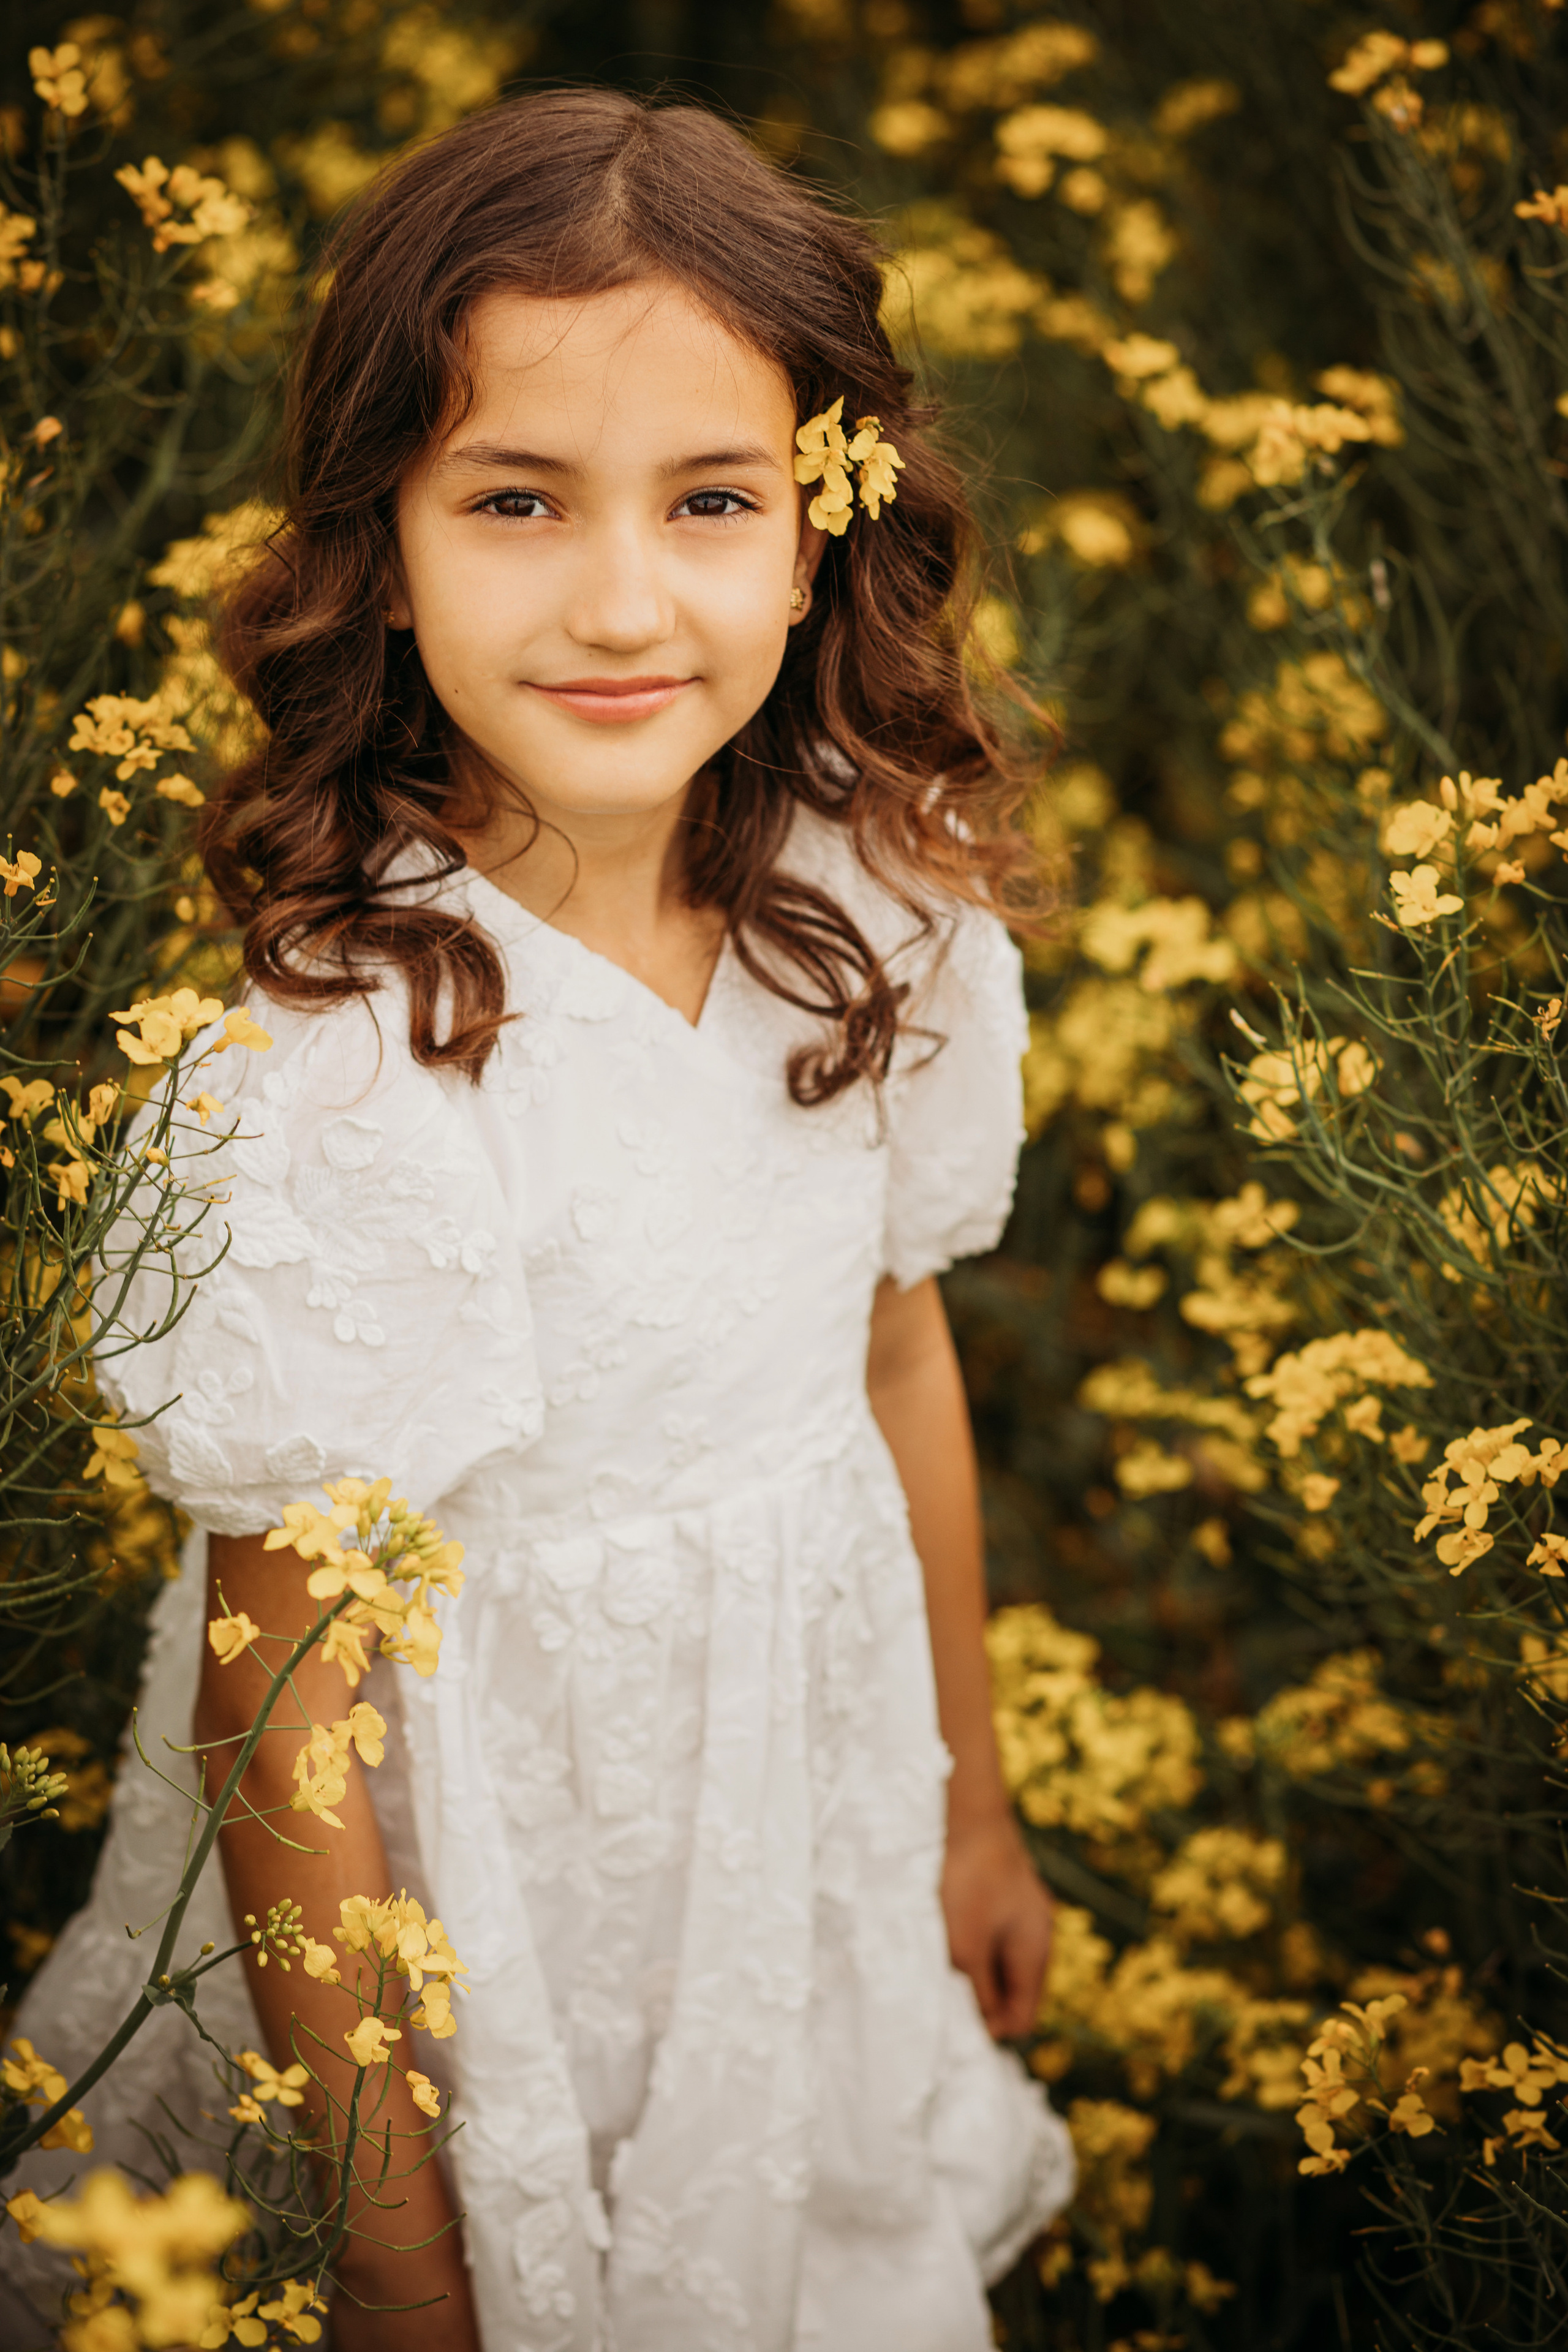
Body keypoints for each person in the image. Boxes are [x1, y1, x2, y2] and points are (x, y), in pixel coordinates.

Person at [5, 86, 1073, 2352]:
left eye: (710, 502)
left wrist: (969, 1813)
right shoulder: (330, 1076)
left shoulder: (882, 912)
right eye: (513, 501)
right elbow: (278, 1723)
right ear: (380, 540)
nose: (620, 600)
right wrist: (399, 2269)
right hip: (456, 1935)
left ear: (819, 535)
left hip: (789, 1850)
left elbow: (891, 1358)